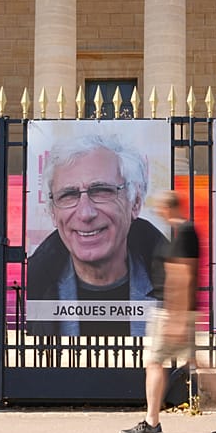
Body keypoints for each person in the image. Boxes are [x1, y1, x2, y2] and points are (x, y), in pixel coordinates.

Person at [120, 190, 216, 433]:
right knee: (194, 363)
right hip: (175, 311)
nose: (158, 212)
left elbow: (183, 277)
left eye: (160, 208)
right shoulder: (182, 233)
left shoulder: (185, 234)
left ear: (168, 208)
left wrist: (177, 318)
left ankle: (152, 422)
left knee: (155, 363)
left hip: (172, 312)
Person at [27, 133, 168, 336]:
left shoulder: (177, 287)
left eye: (102, 191)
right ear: (52, 211)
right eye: (68, 195)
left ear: (135, 202)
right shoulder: (25, 295)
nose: (85, 213)